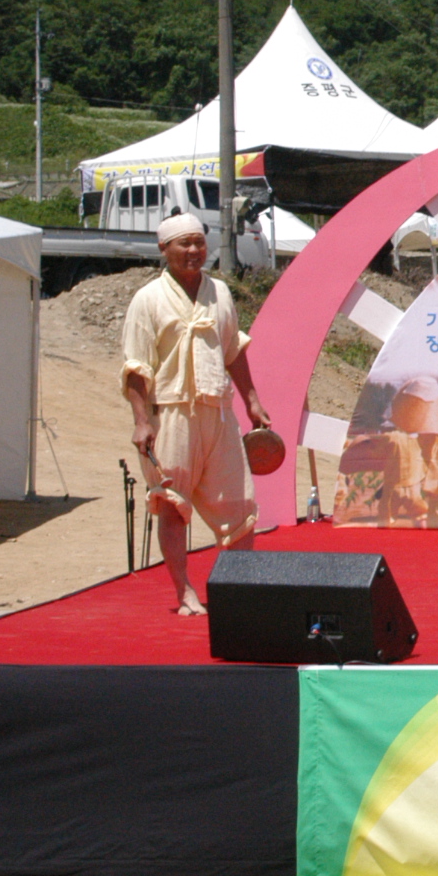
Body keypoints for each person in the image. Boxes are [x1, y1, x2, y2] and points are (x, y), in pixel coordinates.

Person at [119, 212, 273, 615]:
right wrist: (141, 421)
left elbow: (232, 352)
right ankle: (183, 591)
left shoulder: (220, 292)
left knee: (240, 503)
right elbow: (136, 368)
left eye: (198, 243)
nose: (193, 251)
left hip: (218, 411)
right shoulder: (147, 299)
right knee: (172, 501)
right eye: (183, 244)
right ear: (164, 249)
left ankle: (238, 589)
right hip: (170, 414)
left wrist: (252, 399)